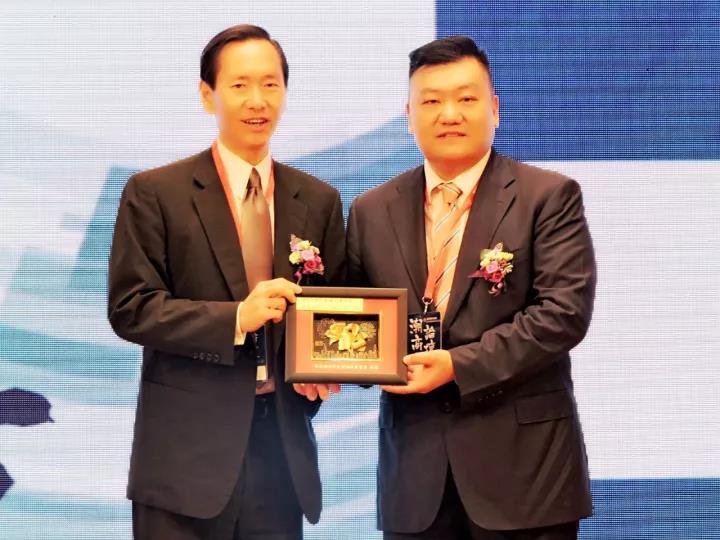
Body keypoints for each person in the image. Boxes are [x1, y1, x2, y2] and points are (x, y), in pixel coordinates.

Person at [346, 36, 596, 540]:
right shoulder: (371, 209)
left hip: (526, 479)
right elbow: (355, 317)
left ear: (494, 109)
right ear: (409, 116)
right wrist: (322, 363)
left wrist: (458, 365)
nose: (449, 114)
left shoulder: (547, 196)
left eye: (466, 98)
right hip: (415, 481)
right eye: (431, 101)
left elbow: (562, 313)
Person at [108, 24, 344, 540]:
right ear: (207, 94)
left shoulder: (319, 200)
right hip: (183, 460)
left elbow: (334, 308)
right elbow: (131, 307)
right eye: (239, 85)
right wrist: (237, 317)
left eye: (270, 84)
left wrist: (325, 366)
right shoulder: (156, 193)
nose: (257, 101)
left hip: (280, 452)